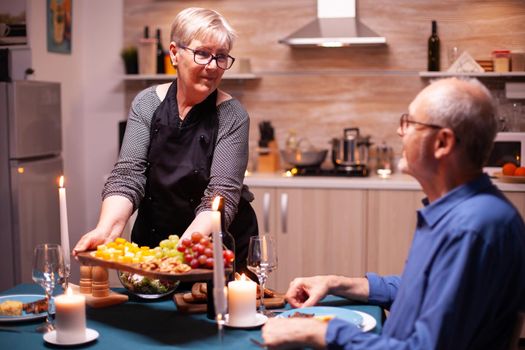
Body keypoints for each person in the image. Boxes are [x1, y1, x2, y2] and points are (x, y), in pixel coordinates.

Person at [262, 78, 525, 349]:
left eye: (410, 123)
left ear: (442, 143)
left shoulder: (471, 229)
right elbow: (422, 293)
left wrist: (322, 332)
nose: (401, 132)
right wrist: (335, 283)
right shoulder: (460, 214)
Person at [73, 7, 257, 273]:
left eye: (221, 57)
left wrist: (182, 251)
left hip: (213, 248)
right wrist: (106, 231)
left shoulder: (232, 115)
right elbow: (127, 176)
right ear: (174, 53)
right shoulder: (147, 103)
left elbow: (221, 195)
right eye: (202, 53)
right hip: (152, 242)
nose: (213, 66)